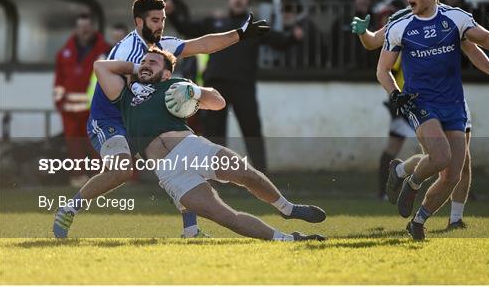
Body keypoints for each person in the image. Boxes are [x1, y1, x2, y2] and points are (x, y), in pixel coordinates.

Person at [53, 0, 269, 239]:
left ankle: (191, 230)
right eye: (155, 20)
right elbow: (127, 93)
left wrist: (239, 34)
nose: (160, 25)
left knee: (177, 155)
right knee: (122, 170)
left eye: (163, 19)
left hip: (137, 115)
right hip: (110, 119)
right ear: (138, 22)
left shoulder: (162, 45)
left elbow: (203, 44)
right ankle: (70, 207)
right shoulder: (128, 50)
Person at [93, 47, 326, 241]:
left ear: (166, 73)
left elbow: (218, 102)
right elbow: (101, 67)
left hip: (193, 148)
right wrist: (137, 68)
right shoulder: (125, 95)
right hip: (169, 172)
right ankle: (289, 239)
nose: (145, 64)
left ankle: (287, 208)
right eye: (143, 61)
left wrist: (195, 90)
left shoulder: (175, 87)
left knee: (247, 175)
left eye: (152, 62)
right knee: (226, 217)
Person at [351, 0, 489, 228]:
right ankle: (412, 183)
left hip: (454, 102)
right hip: (418, 101)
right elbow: (376, 51)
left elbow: (479, 46)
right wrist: (363, 35)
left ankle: (428, 212)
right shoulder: (401, 21)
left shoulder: (454, 19)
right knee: (440, 158)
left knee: (455, 168)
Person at [166, 0, 302, 172]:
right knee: (214, 131)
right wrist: (172, 14)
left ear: (247, 1)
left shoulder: (253, 27)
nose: (238, 0)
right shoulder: (214, 22)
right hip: (215, 85)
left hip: (243, 85)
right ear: (229, 0)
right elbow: (186, 28)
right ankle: (214, 173)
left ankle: (262, 173)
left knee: (251, 129)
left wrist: (294, 38)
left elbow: (280, 42)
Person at [54, 13, 110, 188]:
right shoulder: (65, 52)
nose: (83, 31)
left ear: (93, 28)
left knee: (97, 146)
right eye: (80, 27)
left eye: (86, 27)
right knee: (74, 148)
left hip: (94, 109)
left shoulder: (105, 50)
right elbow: (60, 81)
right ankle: (78, 180)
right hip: (70, 111)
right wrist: (59, 103)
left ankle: (100, 180)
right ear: (76, 29)